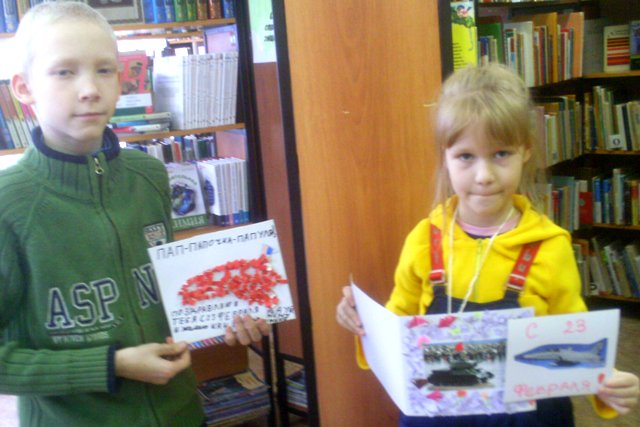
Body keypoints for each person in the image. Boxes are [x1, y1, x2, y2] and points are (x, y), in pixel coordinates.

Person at [0, 3, 270, 426]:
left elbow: (163, 296)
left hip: (181, 413)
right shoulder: (9, 205)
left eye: (104, 70)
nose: (90, 89)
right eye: (64, 72)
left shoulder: (149, 175)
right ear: (23, 87)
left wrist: (227, 315)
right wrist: (112, 365)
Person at [336, 63, 639, 426]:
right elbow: (397, 327)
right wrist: (362, 321)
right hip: (438, 416)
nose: (484, 176)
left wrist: (606, 381)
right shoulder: (423, 241)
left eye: (501, 154)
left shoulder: (550, 247)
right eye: (466, 156)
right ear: (445, 157)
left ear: (525, 150)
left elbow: (575, 334)